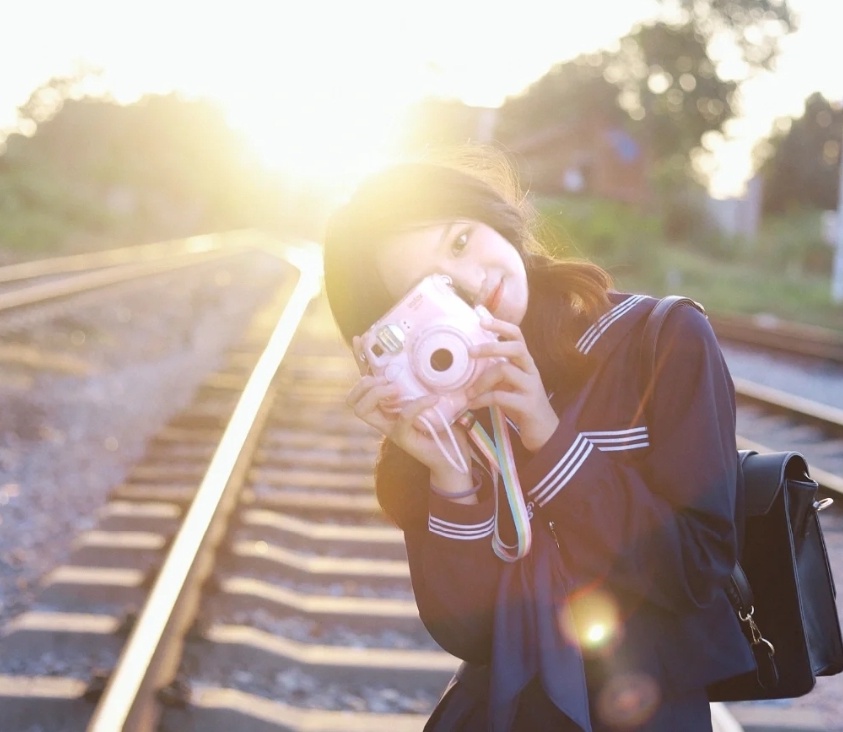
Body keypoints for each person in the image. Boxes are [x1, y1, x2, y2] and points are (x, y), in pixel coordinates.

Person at [322, 149, 756, 732]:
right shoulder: (447, 404)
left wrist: (547, 438)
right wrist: (449, 474)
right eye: (433, 288)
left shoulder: (660, 342)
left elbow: (696, 568)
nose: (476, 280)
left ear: (494, 216)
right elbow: (467, 634)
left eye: (460, 241)